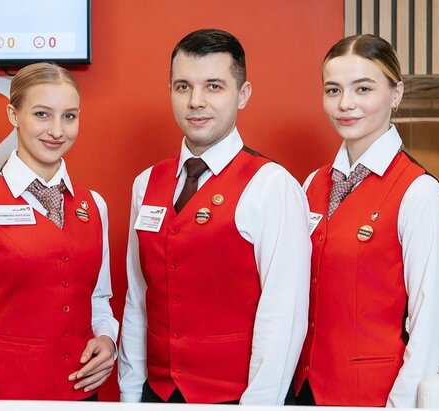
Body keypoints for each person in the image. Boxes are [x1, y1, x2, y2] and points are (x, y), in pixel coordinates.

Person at [117, 28, 311, 405]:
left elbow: (283, 316)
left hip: (236, 399)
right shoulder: (146, 184)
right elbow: (138, 300)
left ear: (243, 94)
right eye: (183, 87)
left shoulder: (272, 185)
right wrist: (130, 394)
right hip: (157, 393)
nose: (196, 101)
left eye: (214, 86)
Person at [0, 62, 118, 400]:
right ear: (13, 115)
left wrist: (107, 338)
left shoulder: (94, 205)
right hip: (0, 396)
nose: (57, 130)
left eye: (69, 116)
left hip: (82, 395)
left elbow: (97, 298)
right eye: (42, 114)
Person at [292, 34, 439, 408]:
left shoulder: (419, 192)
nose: (345, 104)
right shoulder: (312, 184)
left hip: (374, 397)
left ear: (396, 93)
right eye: (333, 90)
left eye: (363, 89)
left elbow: (428, 325)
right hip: (301, 392)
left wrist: (401, 406)